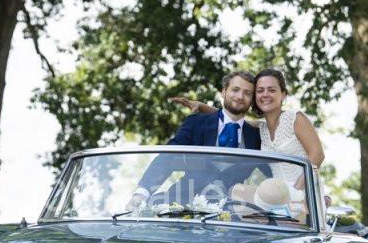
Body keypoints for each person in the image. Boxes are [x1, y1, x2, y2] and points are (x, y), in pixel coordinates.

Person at [125, 70, 262, 211]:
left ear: (252, 100)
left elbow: (276, 172)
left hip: (232, 214)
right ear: (224, 92)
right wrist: (141, 194)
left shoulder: (257, 137)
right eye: (235, 90)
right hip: (180, 205)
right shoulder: (196, 123)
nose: (240, 96)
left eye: (247, 93)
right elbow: (168, 157)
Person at [177, 68, 325, 189]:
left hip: (305, 193)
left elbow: (317, 155)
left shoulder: (296, 118)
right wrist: (202, 106)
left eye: (272, 90)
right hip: (279, 197)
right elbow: (231, 118)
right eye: (260, 90)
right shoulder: (261, 128)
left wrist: (296, 193)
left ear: (283, 95)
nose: (265, 94)